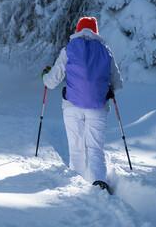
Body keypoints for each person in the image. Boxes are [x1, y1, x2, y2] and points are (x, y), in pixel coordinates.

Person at [41, 17, 123, 194]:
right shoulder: (105, 51)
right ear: (95, 32)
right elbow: (117, 85)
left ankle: (77, 187)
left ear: (78, 30)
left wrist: (45, 75)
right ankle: (100, 182)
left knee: (76, 149)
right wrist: (107, 91)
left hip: (72, 106)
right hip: (98, 107)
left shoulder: (68, 50)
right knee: (95, 149)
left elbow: (51, 82)